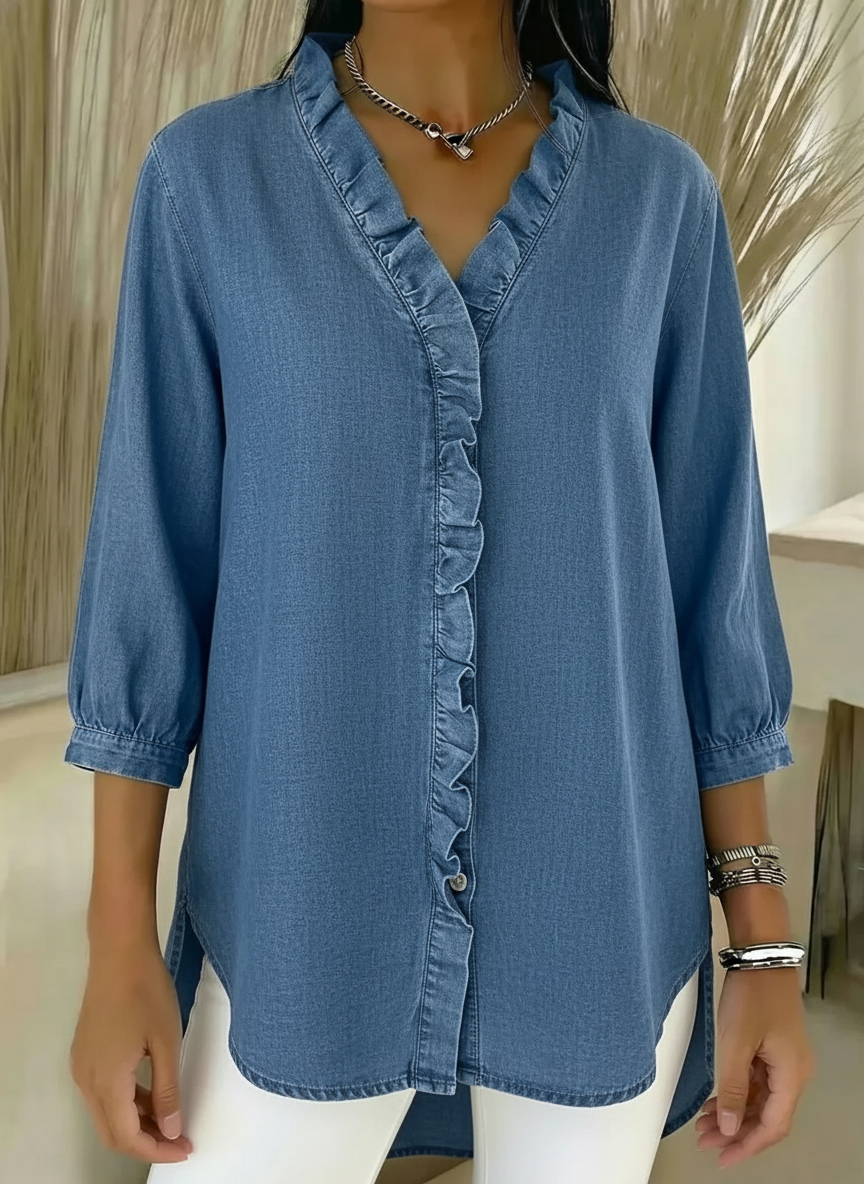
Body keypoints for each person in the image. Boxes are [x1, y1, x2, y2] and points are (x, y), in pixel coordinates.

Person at [65, 2, 816, 1182]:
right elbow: (148, 583)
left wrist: (762, 948)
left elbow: (709, 591)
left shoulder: (661, 204)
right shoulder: (206, 185)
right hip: (301, 920)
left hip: (598, 924)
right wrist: (117, 943)